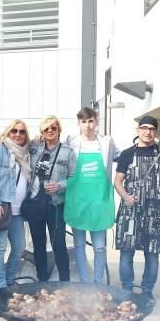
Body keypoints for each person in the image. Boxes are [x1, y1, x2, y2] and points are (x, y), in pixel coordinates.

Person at [64, 107, 119, 284]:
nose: (88, 125)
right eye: (83, 121)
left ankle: (97, 283)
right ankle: (84, 281)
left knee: (100, 247)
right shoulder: (70, 142)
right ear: (79, 124)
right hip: (77, 201)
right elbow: (53, 151)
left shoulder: (107, 142)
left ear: (97, 122)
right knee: (79, 246)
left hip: (99, 202)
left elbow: (123, 157)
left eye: (91, 121)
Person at [114, 115, 160, 298]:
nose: (148, 132)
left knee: (151, 254)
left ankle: (147, 291)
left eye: (152, 129)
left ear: (156, 132)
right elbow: (118, 181)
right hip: (130, 211)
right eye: (144, 128)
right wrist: (126, 197)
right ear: (138, 131)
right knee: (126, 253)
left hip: (154, 212)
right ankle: (126, 290)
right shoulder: (127, 153)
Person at [26, 116, 76, 282]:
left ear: (59, 130)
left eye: (53, 128)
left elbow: (75, 178)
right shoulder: (34, 147)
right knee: (38, 244)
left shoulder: (67, 152)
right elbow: (14, 143)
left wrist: (59, 185)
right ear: (42, 131)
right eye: (46, 128)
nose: (50, 131)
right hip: (35, 202)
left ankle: (64, 282)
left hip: (55, 204)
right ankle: (42, 280)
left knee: (58, 243)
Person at [0, 119, 31, 289]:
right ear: (8, 133)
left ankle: (11, 280)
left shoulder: (27, 153)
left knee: (19, 247)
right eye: (14, 131)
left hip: (18, 210)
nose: (18, 134)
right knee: (0, 247)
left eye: (22, 131)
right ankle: (2, 285)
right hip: (2, 207)